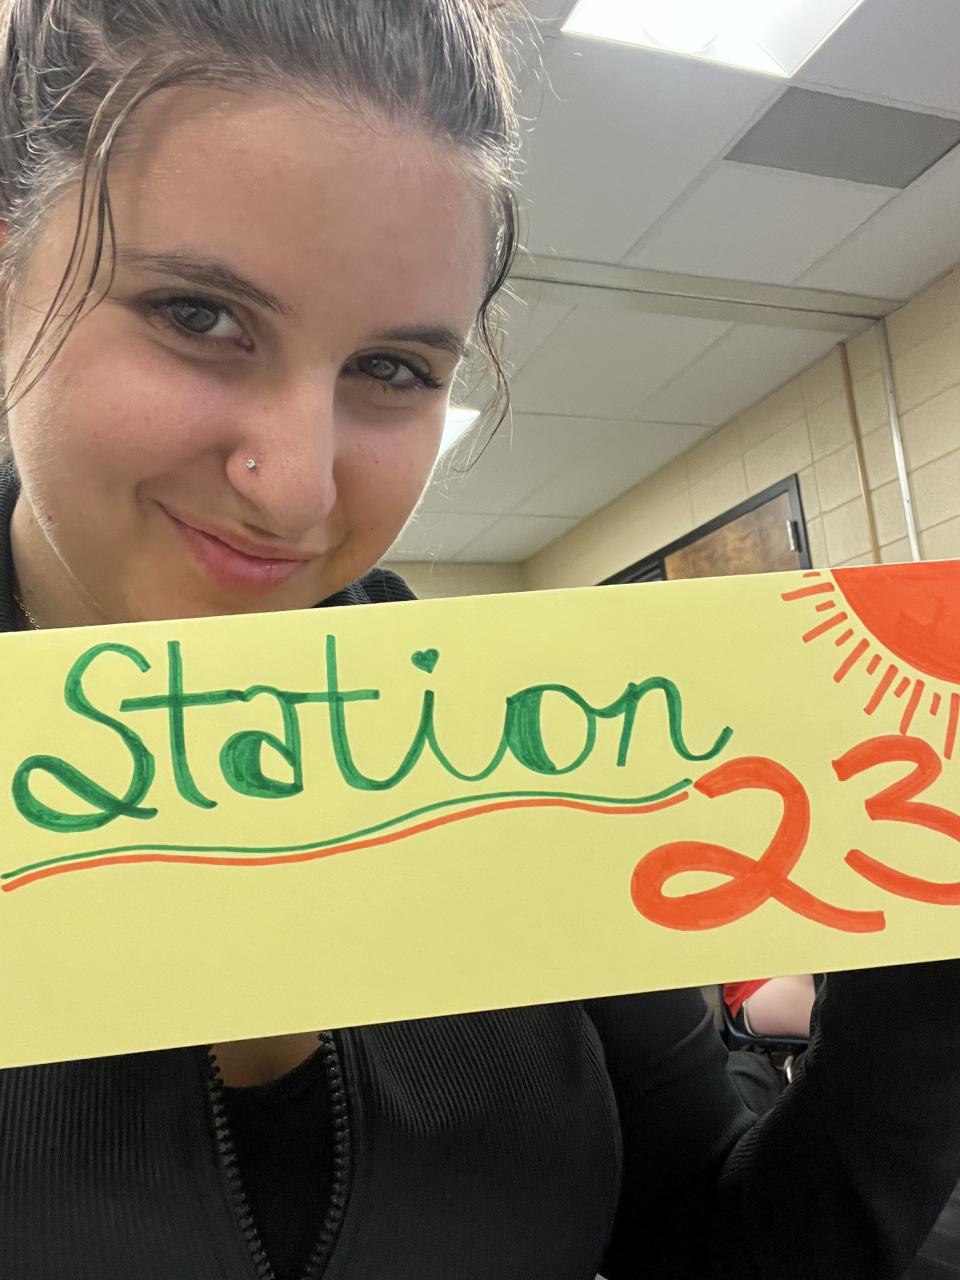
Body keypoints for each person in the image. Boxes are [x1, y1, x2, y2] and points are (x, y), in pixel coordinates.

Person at [0, 2, 959, 1277]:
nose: (295, 484)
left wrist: (921, 984)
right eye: (196, 313)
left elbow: (720, 1245)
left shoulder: (536, 757)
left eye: (392, 368)